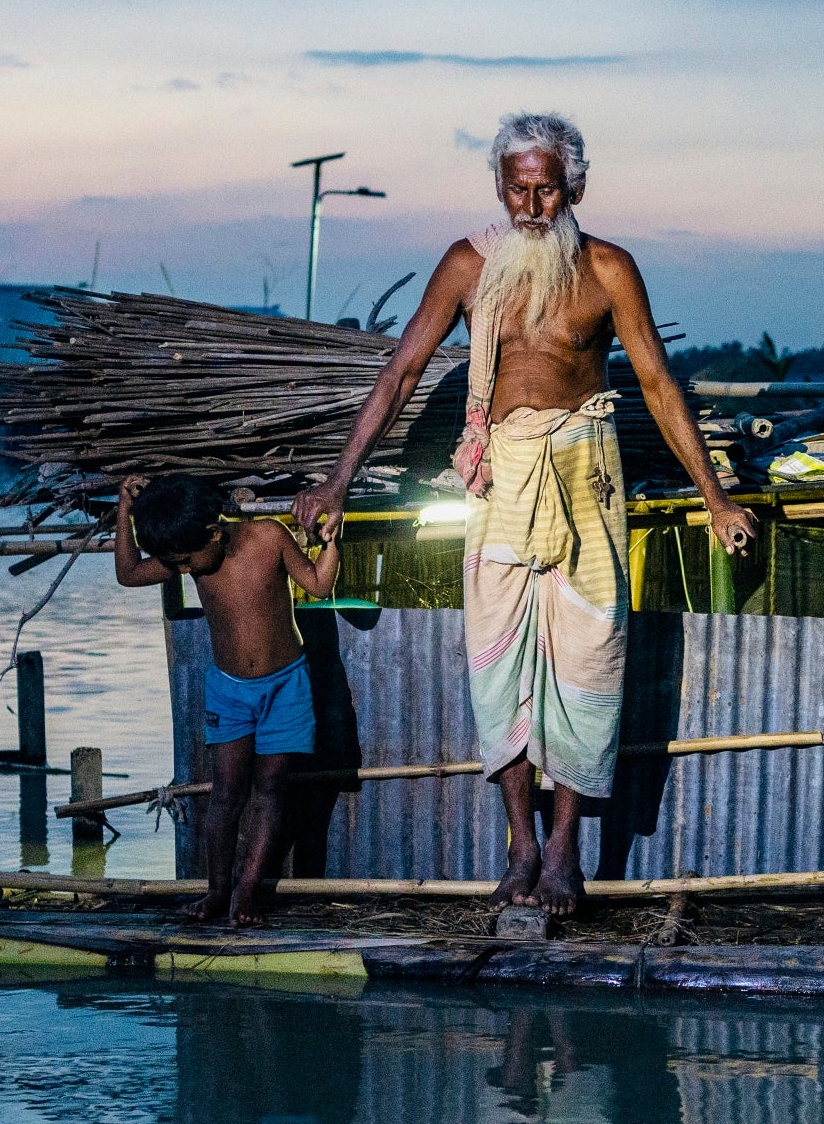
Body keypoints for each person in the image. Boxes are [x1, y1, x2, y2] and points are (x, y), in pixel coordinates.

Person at [294, 112, 759, 917]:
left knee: (585, 662)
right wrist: (336, 483)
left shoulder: (610, 269)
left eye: (547, 188)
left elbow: (656, 383)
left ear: (575, 186)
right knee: (499, 662)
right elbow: (402, 372)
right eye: (518, 188)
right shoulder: (469, 265)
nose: (533, 205)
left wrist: (715, 497)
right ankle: (520, 848)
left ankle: (567, 854)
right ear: (499, 187)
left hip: (587, 474)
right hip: (503, 477)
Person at [115, 472, 341, 927]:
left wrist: (333, 540)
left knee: (270, 792)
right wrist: (124, 510)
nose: (182, 571)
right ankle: (216, 891)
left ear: (214, 533)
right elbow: (128, 573)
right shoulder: (193, 555)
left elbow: (318, 585)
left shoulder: (269, 537)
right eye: (175, 563)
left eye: (184, 561)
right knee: (226, 795)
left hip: (287, 687)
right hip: (228, 691)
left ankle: (246, 891)